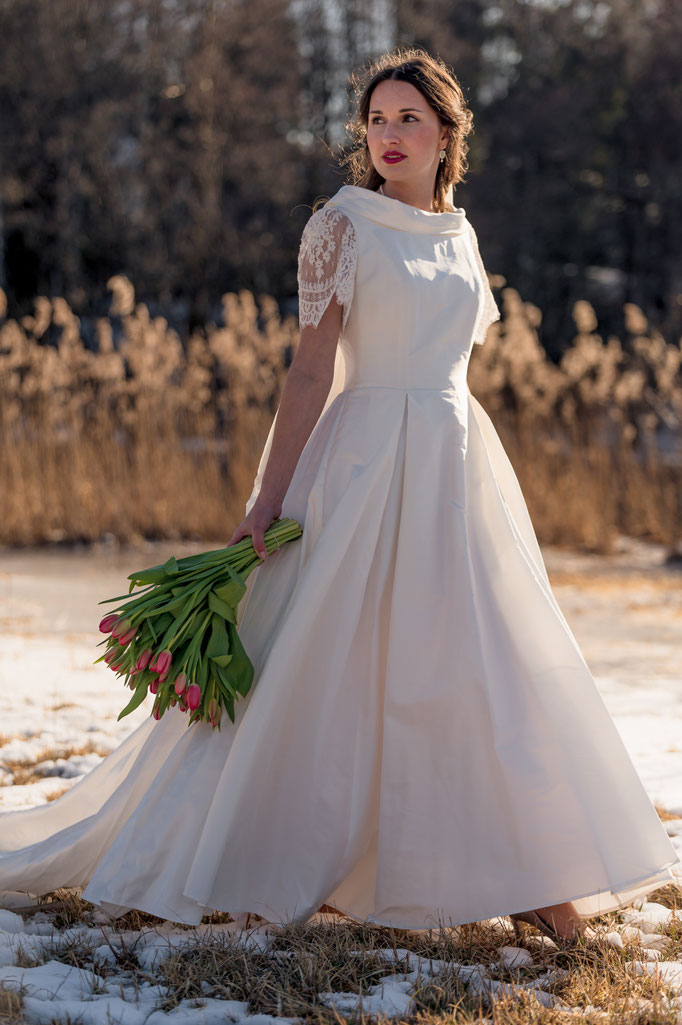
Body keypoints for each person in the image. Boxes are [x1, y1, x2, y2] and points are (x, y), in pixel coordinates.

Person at [0, 47, 678, 942]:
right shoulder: (340, 225)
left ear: (447, 132)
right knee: (321, 657)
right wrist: (266, 502)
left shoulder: (463, 235)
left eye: (409, 119)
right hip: (359, 461)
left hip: (455, 460)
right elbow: (310, 370)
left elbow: (458, 359)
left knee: (486, 656)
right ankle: (261, 862)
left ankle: (535, 870)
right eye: (377, 120)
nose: (389, 136)